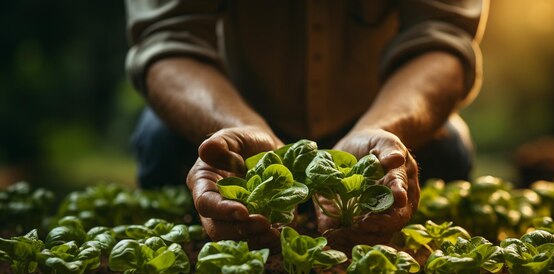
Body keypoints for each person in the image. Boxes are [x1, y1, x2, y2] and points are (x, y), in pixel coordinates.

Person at [125, 0, 487, 251]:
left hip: (378, 110)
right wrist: (237, 128)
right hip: (235, 107)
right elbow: (168, 40)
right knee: (161, 139)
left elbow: (443, 39)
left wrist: (384, 128)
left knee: (448, 146)